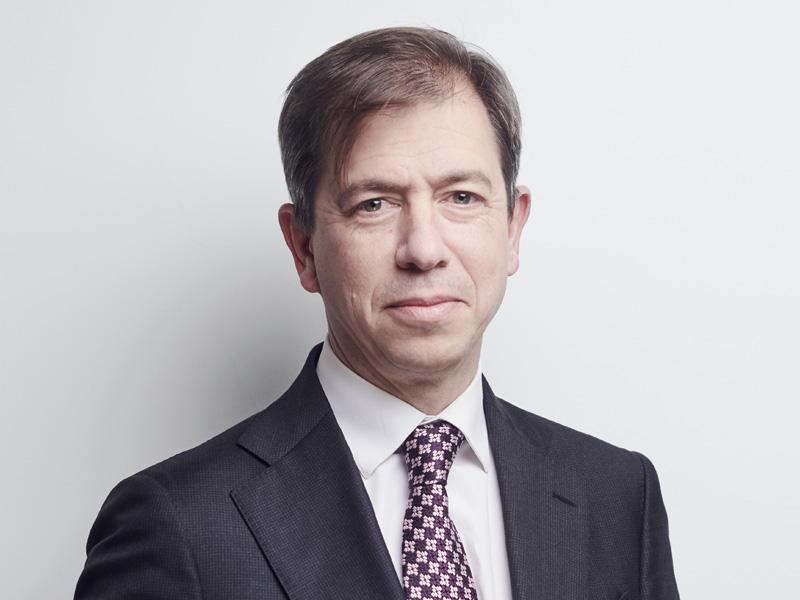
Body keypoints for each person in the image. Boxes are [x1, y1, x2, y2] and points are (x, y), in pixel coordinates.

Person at [75, 27, 679, 600]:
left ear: (512, 228)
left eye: (461, 197)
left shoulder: (617, 495)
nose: (423, 249)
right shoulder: (177, 522)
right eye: (374, 204)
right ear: (303, 247)